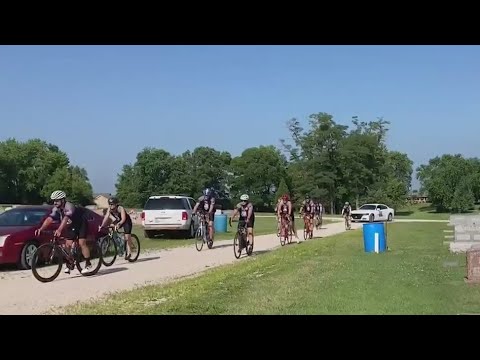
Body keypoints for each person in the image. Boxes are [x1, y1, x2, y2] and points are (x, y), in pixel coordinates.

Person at [34, 190, 92, 274]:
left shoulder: (69, 206)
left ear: (63, 200)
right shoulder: (56, 209)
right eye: (54, 201)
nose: (55, 203)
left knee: (81, 243)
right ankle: (70, 263)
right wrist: (41, 229)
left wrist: (59, 230)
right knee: (67, 245)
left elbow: (66, 219)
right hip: (72, 225)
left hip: (81, 223)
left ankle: (88, 263)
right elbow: (49, 219)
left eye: (57, 200)